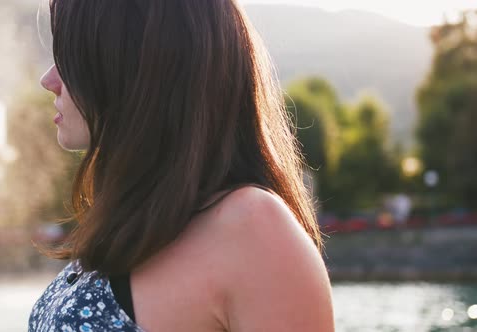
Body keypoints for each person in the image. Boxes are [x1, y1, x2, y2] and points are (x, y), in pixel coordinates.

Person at [29, 0, 334, 331]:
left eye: (70, 59)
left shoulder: (254, 229)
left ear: (138, 66)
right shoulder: (137, 222)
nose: (49, 80)